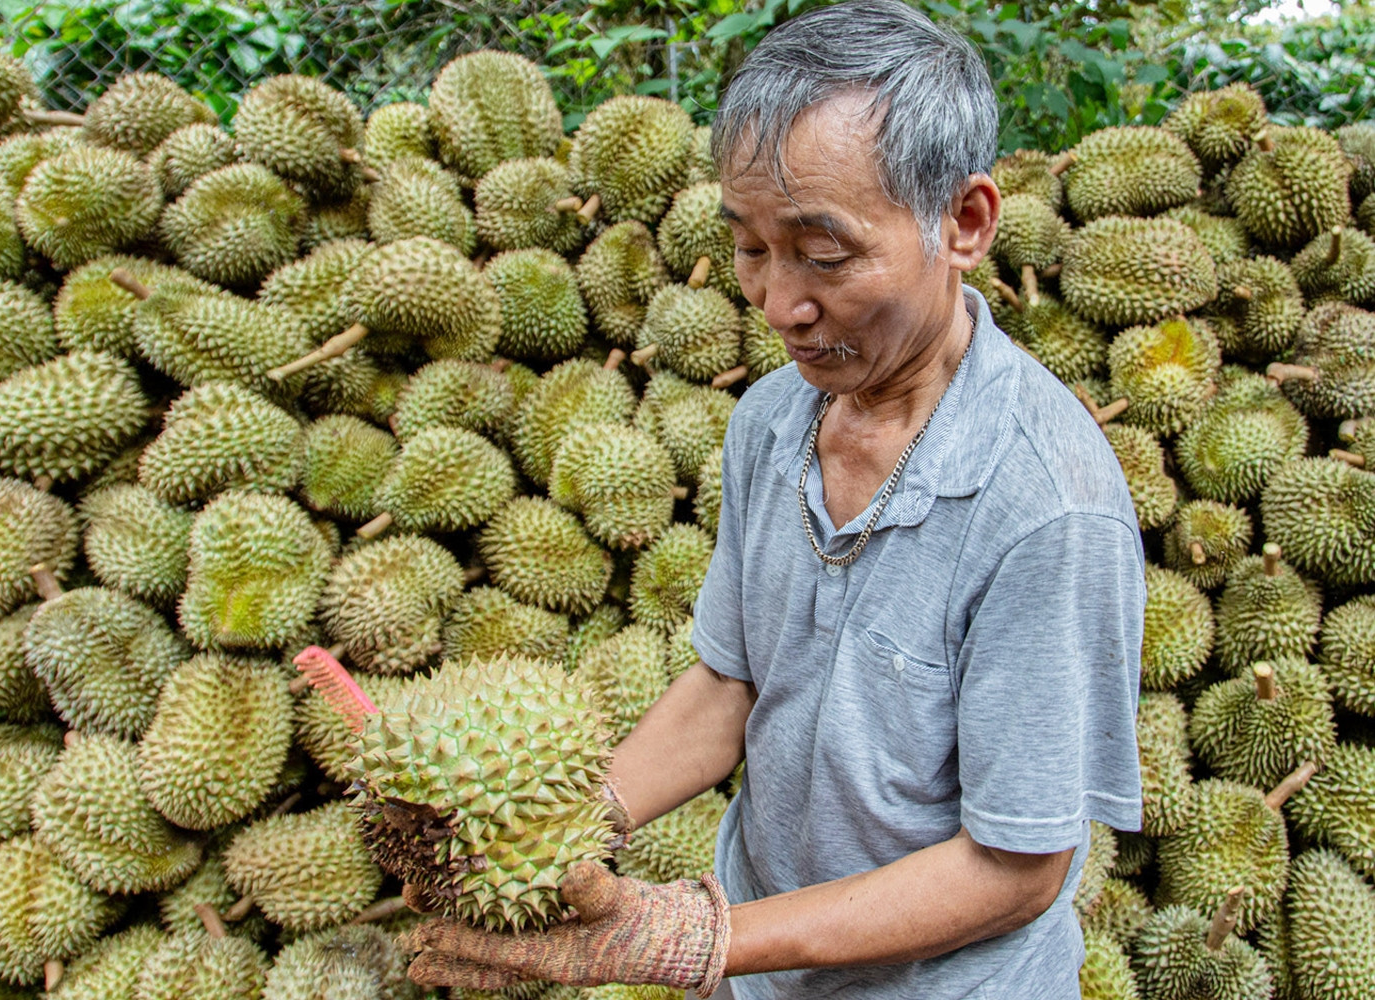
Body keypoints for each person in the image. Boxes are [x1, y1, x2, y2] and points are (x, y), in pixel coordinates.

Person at [405, 2, 1146, 996]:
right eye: (752, 247)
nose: (779, 304)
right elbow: (731, 684)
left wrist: (698, 939)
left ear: (964, 223)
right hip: (767, 961)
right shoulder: (772, 419)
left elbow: (1017, 866)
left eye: (824, 254)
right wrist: (555, 830)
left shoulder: (1048, 504)